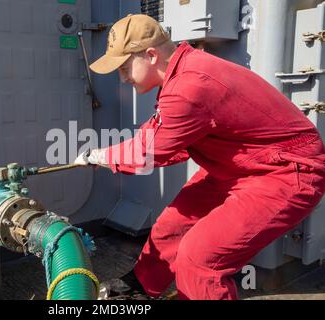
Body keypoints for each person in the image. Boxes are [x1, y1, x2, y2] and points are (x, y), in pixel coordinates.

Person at [74, 14, 325, 300]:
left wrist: (100, 156)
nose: (122, 78)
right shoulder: (184, 73)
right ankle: (139, 290)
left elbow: (148, 151)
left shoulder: (189, 86)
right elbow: (172, 141)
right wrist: (112, 155)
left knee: (200, 258)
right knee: (171, 227)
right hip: (242, 164)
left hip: (286, 171)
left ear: (151, 55)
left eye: (124, 67)